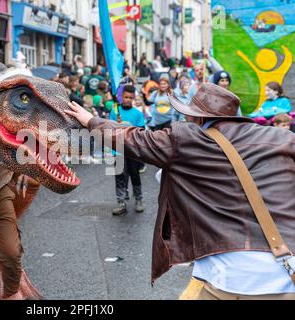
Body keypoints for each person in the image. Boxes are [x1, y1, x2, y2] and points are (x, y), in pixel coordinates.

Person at [65, 83, 295, 300]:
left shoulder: (187, 139)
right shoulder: (283, 138)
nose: (186, 117)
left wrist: (91, 121)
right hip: (287, 270)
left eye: (189, 113)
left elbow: (132, 139)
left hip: (230, 277)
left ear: (200, 117)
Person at [108, 85, 145, 216]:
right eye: (125, 97)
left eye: (130, 97)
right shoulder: (114, 112)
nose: (128, 99)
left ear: (134, 98)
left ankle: (138, 199)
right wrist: (116, 125)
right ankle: (121, 202)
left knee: (135, 175)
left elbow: (141, 133)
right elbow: (108, 130)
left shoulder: (138, 114)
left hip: (132, 150)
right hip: (117, 150)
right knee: (120, 176)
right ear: (121, 97)